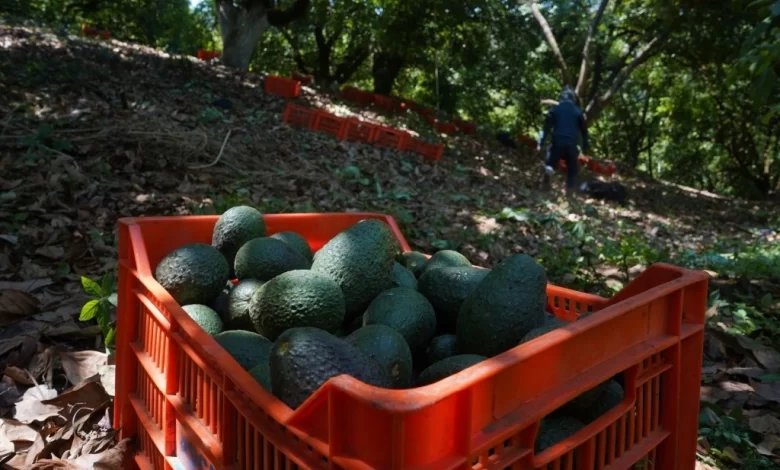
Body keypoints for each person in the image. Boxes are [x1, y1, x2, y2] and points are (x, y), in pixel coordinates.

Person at [537, 86, 590, 192]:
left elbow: (546, 128)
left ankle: (548, 173)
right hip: (571, 145)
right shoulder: (578, 112)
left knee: (550, 161)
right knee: (572, 169)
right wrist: (585, 147)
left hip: (557, 142)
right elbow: (584, 132)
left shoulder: (555, 110)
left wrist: (540, 143)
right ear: (573, 98)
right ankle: (570, 192)